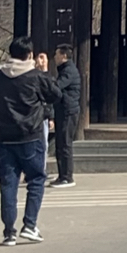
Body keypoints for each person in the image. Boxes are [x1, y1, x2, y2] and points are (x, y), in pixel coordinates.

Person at [0, 36, 61, 244]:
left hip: (5, 138)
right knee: (36, 179)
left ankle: (9, 231)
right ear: (29, 54)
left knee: (8, 184)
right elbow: (55, 95)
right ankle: (29, 225)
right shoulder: (36, 77)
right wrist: (44, 73)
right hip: (31, 135)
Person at [50, 48, 81, 187]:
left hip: (68, 111)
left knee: (65, 143)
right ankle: (62, 175)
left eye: (56, 54)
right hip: (63, 111)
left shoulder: (68, 71)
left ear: (63, 56)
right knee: (61, 143)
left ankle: (67, 177)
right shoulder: (64, 70)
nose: (54, 57)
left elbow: (57, 86)